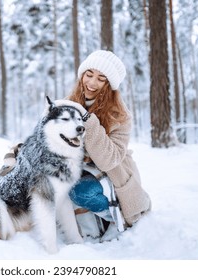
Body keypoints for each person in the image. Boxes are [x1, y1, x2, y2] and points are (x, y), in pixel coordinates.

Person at [62, 50, 151, 239]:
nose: (92, 83)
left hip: (112, 174)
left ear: (109, 85)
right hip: (80, 169)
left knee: (80, 191)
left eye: (101, 78)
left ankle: (114, 217)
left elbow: (109, 160)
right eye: (89, 74)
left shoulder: (120, 114)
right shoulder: (70, 102)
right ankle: (89, 227)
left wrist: (89, 121)